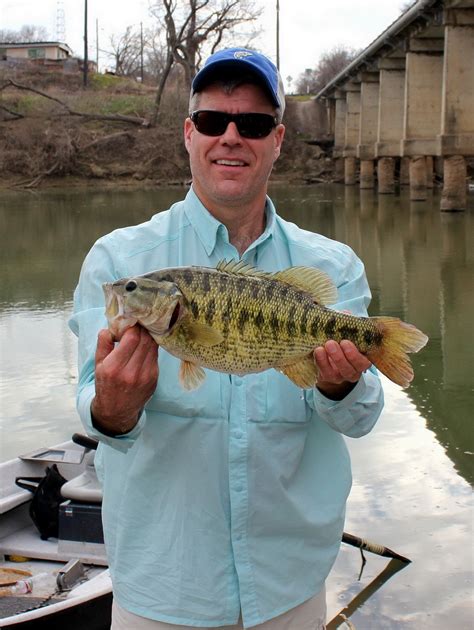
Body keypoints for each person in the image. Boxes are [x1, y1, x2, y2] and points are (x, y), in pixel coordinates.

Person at [69, 47, 384, 630]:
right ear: (190, 134)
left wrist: (341, 387)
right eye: (214, 121)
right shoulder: (119, 258)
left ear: (279, 139)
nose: (231, 137)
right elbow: (96, 420)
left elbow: (359, 421)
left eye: (255, 124)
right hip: (163, 587)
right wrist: (113, 409)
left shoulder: (332, 267)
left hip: (289, 585)